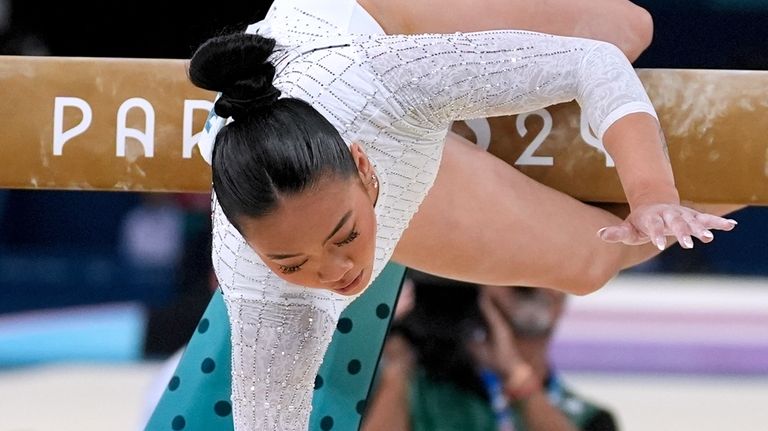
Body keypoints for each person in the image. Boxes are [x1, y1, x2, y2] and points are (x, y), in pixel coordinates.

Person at [187, 0, 738, 428]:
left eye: (344, 237)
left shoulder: (389, 81)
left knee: (621, 27)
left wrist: (651, 193)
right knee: (589, 262)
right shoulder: (254, 273)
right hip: (367, 135)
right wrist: (322, 244)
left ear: (364, 166)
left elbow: (595, 64)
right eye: (291, 266)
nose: (334, 275)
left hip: (371, 24)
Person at [362, 272, 618, 431]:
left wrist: (517, 377)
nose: (538, 286)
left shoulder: (589, 418)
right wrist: (396, 372)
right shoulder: (419, 392)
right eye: (520, 282)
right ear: (479, 289)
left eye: (552, 277)